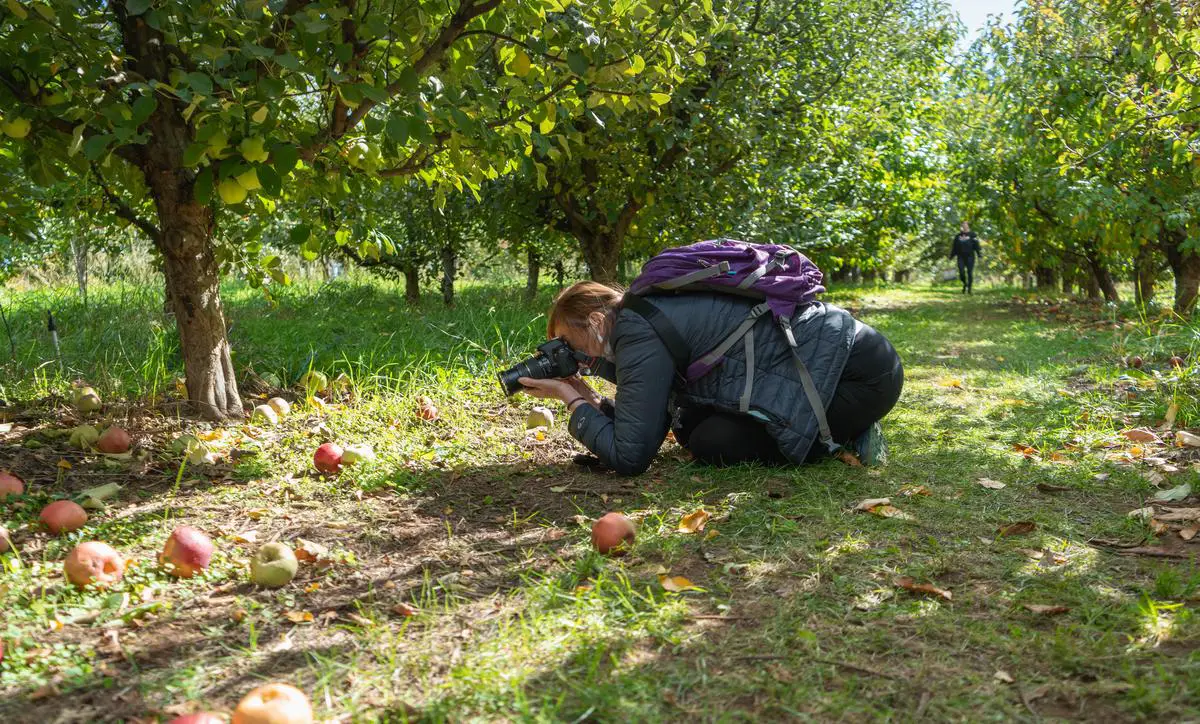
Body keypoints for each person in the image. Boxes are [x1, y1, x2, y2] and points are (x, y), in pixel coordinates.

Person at [518, 281, 904, 475]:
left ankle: (842, 437)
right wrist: (589, 395)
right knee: (690, 424)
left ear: (598, 322)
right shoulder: (640, 313)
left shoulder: (637, 332)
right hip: (836, 360)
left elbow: (631, 456)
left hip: (855, 376)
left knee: (713, 441)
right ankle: (835, 428)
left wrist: (571, 400)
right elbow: (653, 415)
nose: (571, 356)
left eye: (569, 344)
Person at [949, 221, 983, 294]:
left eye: (965, 224)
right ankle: (965, 284)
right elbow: (954, 247)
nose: (964, 226)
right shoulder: (958, 236)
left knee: (969, 272)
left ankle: (969, 289)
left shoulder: (973, 235)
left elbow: (976, 245)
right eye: (962, 225)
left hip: (970, 256)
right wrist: (951, 256)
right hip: (960, 257)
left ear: (968, 226)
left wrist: (979, 255)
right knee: (961, 272)